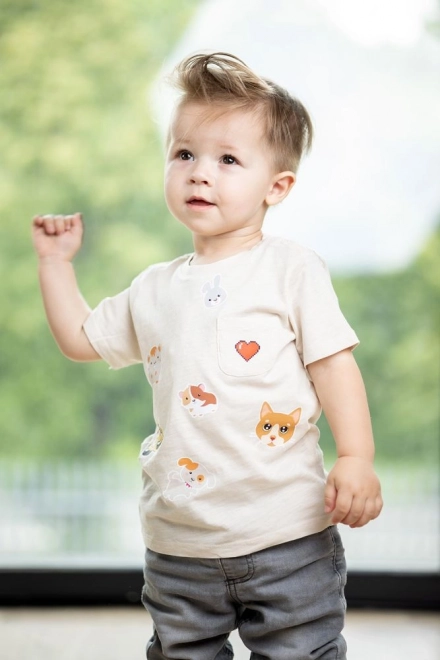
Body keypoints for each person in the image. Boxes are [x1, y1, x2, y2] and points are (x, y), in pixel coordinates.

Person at [32, 52, 382, 660]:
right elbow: (82, 339)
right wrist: (55, 264)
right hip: (179, 541)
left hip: (287, 534)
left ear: (277, 186)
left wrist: (356, 456)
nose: (199, 174)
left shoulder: (291, 269)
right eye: (184, 154)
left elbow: (333, 364)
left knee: (302, 651)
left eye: (228, 160)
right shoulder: (154, 287)